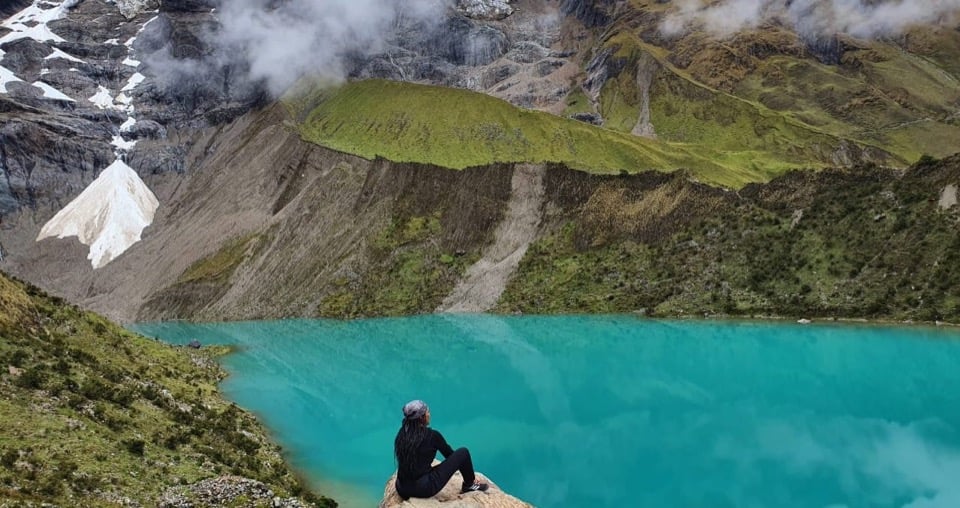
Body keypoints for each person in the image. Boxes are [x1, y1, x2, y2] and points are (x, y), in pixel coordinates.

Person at [393, 399, 489, 500]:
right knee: (463, 453)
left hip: (402, 488)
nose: (429, 414)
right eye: (428, 412)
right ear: (422, 417)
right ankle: (469, 485)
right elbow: (450, 455)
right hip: (423, 489)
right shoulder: (432, 436)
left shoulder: (402, 434)